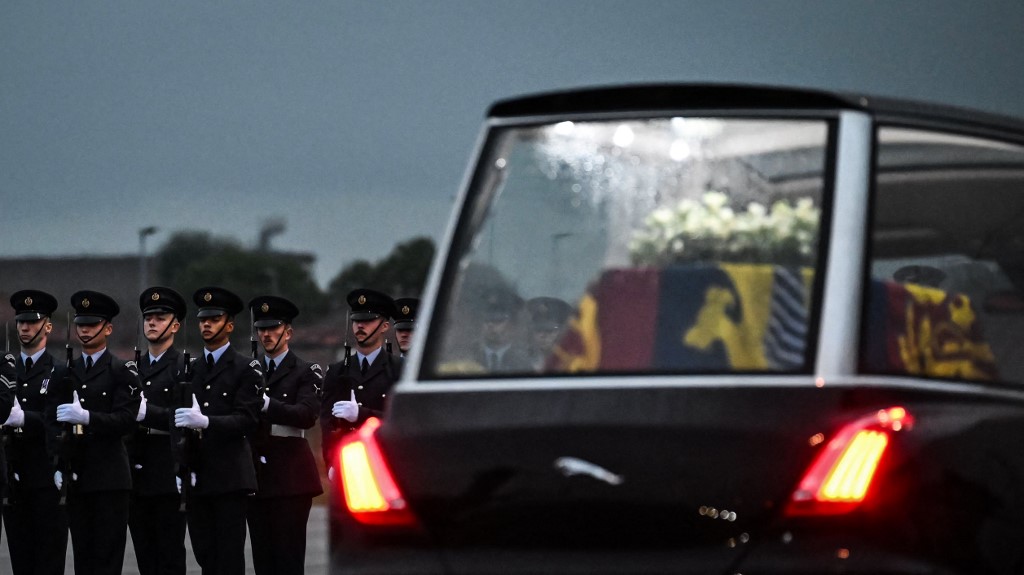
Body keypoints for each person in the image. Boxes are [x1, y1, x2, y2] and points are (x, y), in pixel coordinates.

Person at [174, 286, 261, 575]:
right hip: (198, 474)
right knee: (204, 553)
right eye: (203, 320)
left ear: (230, 324)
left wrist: (208, 422)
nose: (207, 325)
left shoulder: (246, 368)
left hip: (230, 476)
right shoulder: (191, 369)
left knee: (228, 555)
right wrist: (180, 465)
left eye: (214, 319)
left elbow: (247, 419)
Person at [54, 290, 141, 575]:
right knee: (83, 556)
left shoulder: (121, 370)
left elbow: (126, 420)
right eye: (81, 325)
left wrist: (88, 418)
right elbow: (52, 421)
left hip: (110, 479)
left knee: (107, 557)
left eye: (92, 325)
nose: (85, 330)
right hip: (77, 475)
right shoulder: (67, 371)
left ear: (108, 328)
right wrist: (57, 461)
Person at [246, 295, 323, 575]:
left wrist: (268, 405)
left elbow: (306, 415)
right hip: (256, 476)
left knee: (288, 559)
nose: (266, 334)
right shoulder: (248, 371)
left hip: (291, 476)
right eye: (261, 329)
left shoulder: (306, 372)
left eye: (273, 328)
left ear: (287, 332)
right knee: (263, 560)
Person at [2, 290, 69, 575]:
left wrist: (24, 420)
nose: (25, 328)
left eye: (32, 322)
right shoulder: (6, 370)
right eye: (21, 322)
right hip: (13, 477)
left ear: (48, 326)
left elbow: (59, 420)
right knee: (20, 559)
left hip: (45, 477)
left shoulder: (59, 371)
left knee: (48, 558)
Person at [129, 286, 189, 575]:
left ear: (175, 325)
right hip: (135, 469)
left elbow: (185, 417)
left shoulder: (184, 368)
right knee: (144, 554)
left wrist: (148, 414)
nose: (152, 322)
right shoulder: (132, 369)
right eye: (148, 317)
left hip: (167, 467)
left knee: (169, 554)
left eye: (160, 316)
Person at [320, 289, 401, 474]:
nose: (360, 326)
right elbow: (327, 423)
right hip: (349, 460)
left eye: (368, 321)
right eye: (356, 321)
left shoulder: (399, 369)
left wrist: (362, 414)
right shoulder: (338, 371)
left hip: (386, 461)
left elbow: (403, 420)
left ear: (384, 326)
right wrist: (331, 461)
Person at [475, 288, 531, 373]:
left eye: (498, 319)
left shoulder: (524, 364)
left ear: (512, 325)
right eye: (487, 319)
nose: (490, 325)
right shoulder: (469, 358)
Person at [525, 296, 573, 372]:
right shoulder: (521, 360)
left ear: (561, 331)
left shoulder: (572, 361)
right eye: (538, 330)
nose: (543, 335)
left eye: (550, 330)